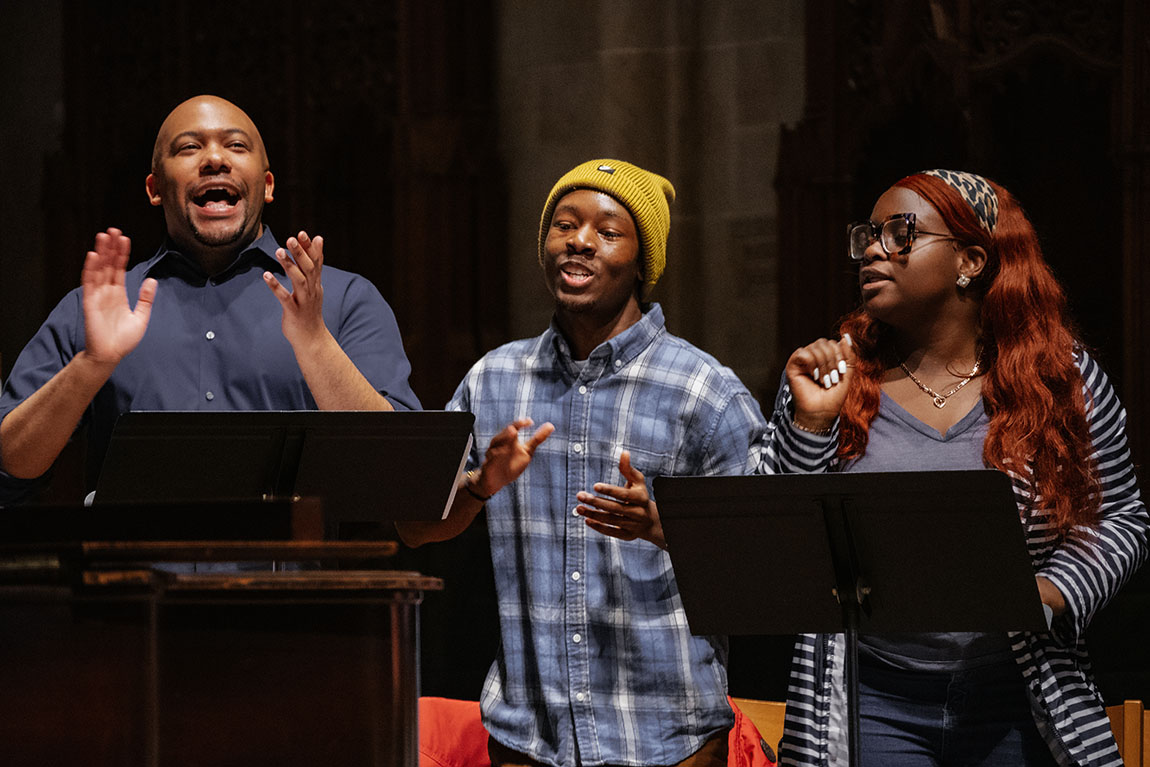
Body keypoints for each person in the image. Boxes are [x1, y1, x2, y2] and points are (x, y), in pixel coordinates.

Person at [758, 169, 1148, 766]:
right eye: (867, 234)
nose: (870, 249)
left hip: (1017, 689)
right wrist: (811, 425)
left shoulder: (1059, 381)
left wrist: (1051, 590)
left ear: (970, 259)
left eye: (900, 233)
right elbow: (772, 535)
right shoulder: (833, 373)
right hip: (871, 694)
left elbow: (1119, 517)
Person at [397, 159, 768, 767]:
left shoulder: (703, 390)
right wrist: (477, 485)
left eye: (607, 230)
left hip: (667, 740)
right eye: (564, 225)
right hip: (527, 739)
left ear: (642, 261)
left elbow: (765, 565)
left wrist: (666, 525)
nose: (579, 240)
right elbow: (415, 528)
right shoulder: (494, 380)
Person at [0, 95, 419, 504]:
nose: (215, 159)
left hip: (289, 575)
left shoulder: (345, 299)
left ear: (268, 184)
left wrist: (315, 343)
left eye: (236, 145)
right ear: (155, 188)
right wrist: (92, 364)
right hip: (130, 574)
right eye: (189, 148)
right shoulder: (93, 309)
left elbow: (400, 469)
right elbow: (13, 465)